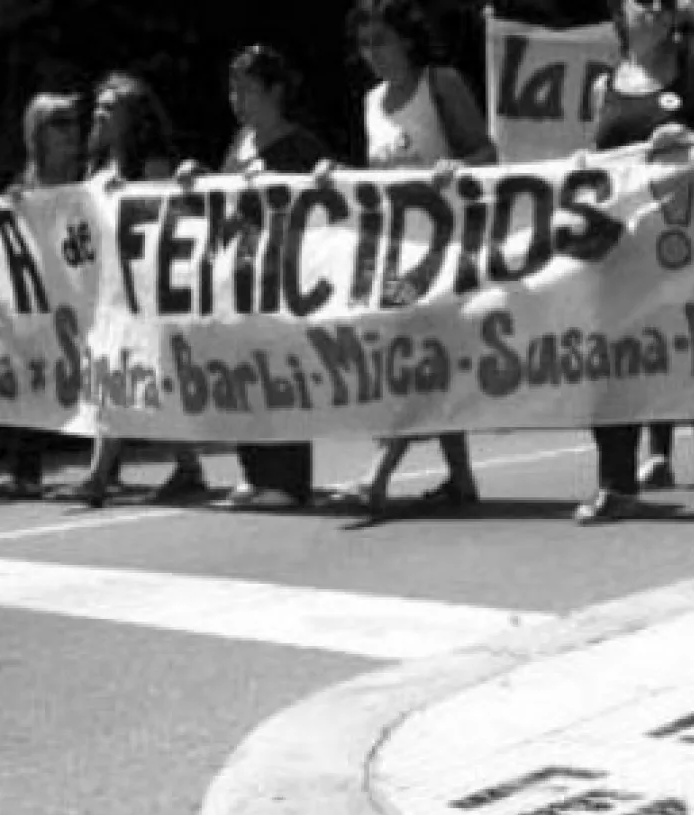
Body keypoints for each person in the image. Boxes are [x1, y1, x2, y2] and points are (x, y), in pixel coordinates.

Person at [572, 0, 694, 525]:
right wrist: (584, 166)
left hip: (686, 244)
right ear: (619, 14)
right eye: (640, 1)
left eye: (661, 3)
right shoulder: (604, 86)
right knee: (615, 361)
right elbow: (597, 158)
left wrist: (693, 142)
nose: (650, 9)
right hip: (623, 252)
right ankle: (616, 483)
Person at [330, 0, 497, 518]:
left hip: (447, 248)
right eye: (364, 44)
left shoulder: (440, 84)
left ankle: (375, 477)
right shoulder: (371, 102)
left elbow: (488, 154)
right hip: (396, 252)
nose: (372, 53)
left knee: (418, 361)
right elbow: (379, 182)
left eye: (381, 40)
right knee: (428, 360)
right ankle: (461, 479)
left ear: (406, 39)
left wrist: (458, 167)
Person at [176, 46, 333, 509]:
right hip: (238, 278)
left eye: (247, 90)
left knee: (280, 375)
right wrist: (199, 180)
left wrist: (328, 173)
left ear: (275, 92)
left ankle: (288, 481)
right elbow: (225, 203)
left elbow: (332, 196)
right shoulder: (239, 144)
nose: (237, 100)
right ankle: (255, 471)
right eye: (233, 90)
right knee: (244, 375)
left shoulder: (300, 145)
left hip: (282, 280)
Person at [54, 72, 197, 508]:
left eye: (111, 107)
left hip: (142, 287)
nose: (100, 112)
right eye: (99, 105)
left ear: (133, 117)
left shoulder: (150, 160)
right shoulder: (97, 165)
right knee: (120, 375)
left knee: (126, 374)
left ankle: (99, 477)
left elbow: (161, 211)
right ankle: (185, 467)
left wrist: (131, 193)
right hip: (107, 286)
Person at [0, 92, 86, 499]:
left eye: (73, 122)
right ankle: (25, 472)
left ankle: (107, 469)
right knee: (30, 378)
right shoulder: (25, 185)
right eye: (59, 123)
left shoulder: (91, 178)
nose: (71, 131)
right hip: (38, 299)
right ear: (37, 133)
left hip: (83, 294)